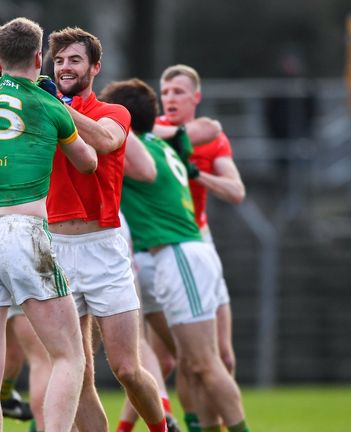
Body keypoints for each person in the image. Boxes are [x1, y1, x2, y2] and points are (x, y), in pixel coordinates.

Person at [0, 17, 96, 432]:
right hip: (22, 232)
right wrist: (62, 113)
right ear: (40, 57)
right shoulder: (48, 103)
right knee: (69, 356)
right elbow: (88, 163)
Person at [104, 78, 252, 432]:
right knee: (189, 361)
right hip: (182, 253)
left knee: (204, 363)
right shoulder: (163, 143)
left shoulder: (133, 147)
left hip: (178, 254)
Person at [46, 27, 167, 432]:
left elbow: (104, 141)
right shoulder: (42, 110)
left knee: (127, 368)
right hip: (56, 250)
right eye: (59, 60)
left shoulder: (114, 112)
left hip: (104, 248)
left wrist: (57, 106)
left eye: (74, 60)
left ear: (95, 67)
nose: (65, 67)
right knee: (77, 375)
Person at [155, 64, 246, 431]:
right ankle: (196, 425)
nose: (170, 98)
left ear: (196, 97)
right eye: (165, 92)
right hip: (163, 248)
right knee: (181, 359)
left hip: (200, 243)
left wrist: (199, 175)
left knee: (222, 356)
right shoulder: (155, 132)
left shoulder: (208, 140)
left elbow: (236, 191)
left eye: (178, 91)